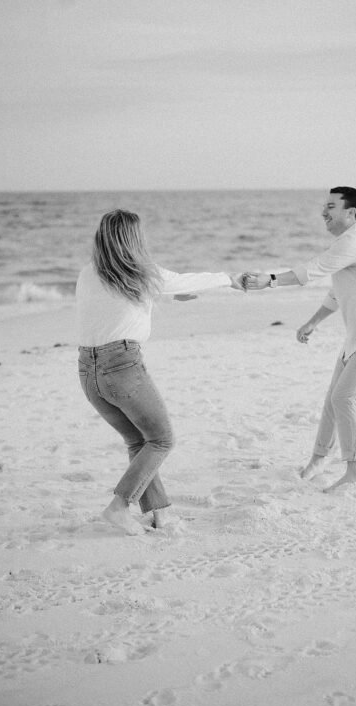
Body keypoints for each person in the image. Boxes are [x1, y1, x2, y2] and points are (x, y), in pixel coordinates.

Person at [77, 209, 242, 535]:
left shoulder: (88, 273)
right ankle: (119, 506)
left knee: (139, 441)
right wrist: (229, 279)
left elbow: (117, 301)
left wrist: (164, 292)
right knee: (162, 439)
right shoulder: (142, 273)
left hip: (87, 372)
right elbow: (184, 279)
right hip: (121, 365)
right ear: (133, 239)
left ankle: (160, 512)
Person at [240, 187, 356, 490]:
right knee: (333, 399)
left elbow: (311, 270)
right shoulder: (347, 245)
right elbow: (336, 293)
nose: (323, 212)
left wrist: (270, 280)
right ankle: (318, 459)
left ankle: (355, 472)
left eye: (330, 206)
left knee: (344, 398)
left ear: (350, 213)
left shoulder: (353, 242)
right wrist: (313, 322)